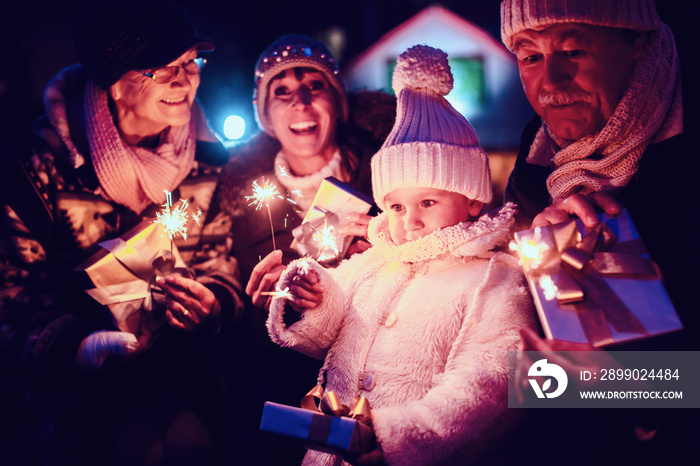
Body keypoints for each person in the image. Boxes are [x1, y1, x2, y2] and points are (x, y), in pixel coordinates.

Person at [265, 45, 535, 466]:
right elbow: (329, 331)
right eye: (396, 206)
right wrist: (316, 298)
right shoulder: (376, 262)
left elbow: (490, 384)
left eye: (428, 202)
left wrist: (394, 438)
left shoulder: (494, 281)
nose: (409, 221)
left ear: (473, 201)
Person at [0, 1, 243, 464]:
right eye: (160, 68)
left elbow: (219, 259)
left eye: (190, 61)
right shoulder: (42, 172)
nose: (183, 78)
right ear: (114, 81)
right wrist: (76, 346)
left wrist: (210, 304)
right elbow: (12, 291)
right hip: (79, 401)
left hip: (182, 379)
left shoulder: (209, 159)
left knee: (194, 448)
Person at [499, 1, 697, 463]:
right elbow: (527, 373)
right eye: (530, 57)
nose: (550, 83)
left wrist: (620, 380)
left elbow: (666, 390)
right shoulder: (538, 156)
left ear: (638, 44)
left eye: (571, 50)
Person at [208, 34, 396, 465]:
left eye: (315, 86)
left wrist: (389, 242)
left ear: (338, 102)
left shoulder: (390, 180)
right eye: (282, 92)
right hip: (300, 407)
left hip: (392, 387)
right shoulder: (248, 208)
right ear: (266, 117)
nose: (301, 102)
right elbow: (255, 357)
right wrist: (265, 312)